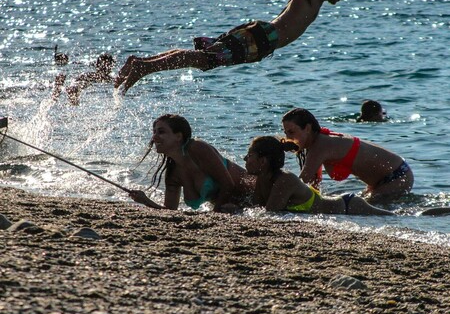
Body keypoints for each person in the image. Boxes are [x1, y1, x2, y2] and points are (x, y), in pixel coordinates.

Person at [114, 0, 356, 93]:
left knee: (204, 59)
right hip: (261, 38)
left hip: (261, 41)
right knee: (204, 60)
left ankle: (141, 63)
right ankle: (143, 68)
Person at [281, 108, 414, 202]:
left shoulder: (321, 145)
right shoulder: (316, 144)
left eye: (291, 132)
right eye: (286, 133)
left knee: (363, 207)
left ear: (308, 128)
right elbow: (313, 184)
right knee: (361, 203)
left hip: (397, 175)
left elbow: (301, 182)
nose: (287, 137)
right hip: (383, 180)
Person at [128, 114, 254, 211]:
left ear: (178, 136)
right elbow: (170, 211)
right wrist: (145, 200)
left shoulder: (197, 148)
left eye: (161, 132)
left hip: (257, 197)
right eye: (154, 132)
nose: (154, 137)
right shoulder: (173, 174)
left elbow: (228, 185)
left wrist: (215, 215)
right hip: (240, 210)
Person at [244, 136, 394, 215]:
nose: (245, 159)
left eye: (249, 155)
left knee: (393, 219)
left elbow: (270, 214)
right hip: (343, 209)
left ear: (263, 160)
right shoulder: (262, 178)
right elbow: (256, 208)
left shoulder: (285, 180)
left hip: (349, 207)